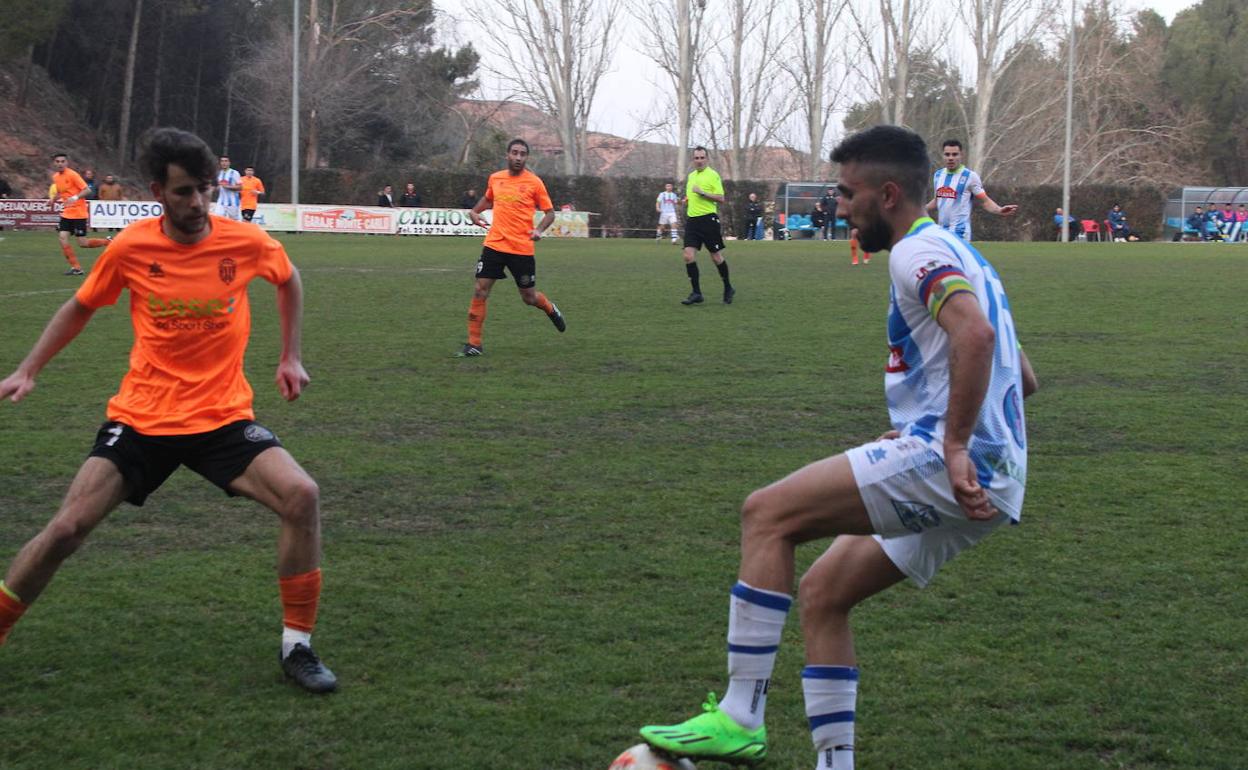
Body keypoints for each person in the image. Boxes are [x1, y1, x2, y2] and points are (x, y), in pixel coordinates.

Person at [638, 125, 1037, 769]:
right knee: (824, 593)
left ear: (886, 194)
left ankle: (741, 715)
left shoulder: (914, 254)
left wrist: (953, 443)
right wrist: (938, 424)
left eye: (848, 194)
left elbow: (977, 339)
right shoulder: (967, 256)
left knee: (767, 515)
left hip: (954, 464)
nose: (841, 206)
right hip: (998, 479)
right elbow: (1024, 375)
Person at [0, 127, 336, 694]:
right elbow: (79, 308)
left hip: (223, 419)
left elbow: (289, 278)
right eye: (184, 192)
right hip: (143, 418)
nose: (198, 203)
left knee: (302, 495)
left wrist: (290, 355)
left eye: (205, 190)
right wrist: (29, 368)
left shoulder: (244, 241)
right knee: (65, 529)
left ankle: (297, 646)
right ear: (159, 191)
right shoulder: (131, 247)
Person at [456, 138, 566, 357]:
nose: (518, 157)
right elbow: (488, 200)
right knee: (480, 290)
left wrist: (538, 230)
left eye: (522, 154)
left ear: (526, 157)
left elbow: (550, 213)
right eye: (514, 153)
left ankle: (549, 308)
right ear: (507, 155)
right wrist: (474, 212)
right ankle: (474, 344)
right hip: (494, 244)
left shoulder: (534, 183)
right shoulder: (496, 179)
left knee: (528, 297)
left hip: (521, 248)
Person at [925, 139, 1016, 242]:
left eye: (955, 154)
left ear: (961, 155)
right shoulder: (938, 175)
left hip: (960, 233)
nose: (951, 158)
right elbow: (938, 201)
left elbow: (985, 201)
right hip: (942, 232)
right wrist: (920, 209)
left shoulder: (970, 177)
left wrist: (999, 210)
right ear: (943, 155)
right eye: (947, 154)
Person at [680, 146, 735, 305]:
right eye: (696, 158)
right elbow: (693, 195)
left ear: (707, 158)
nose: (699, 161)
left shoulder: (713, 175)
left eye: (702, 157)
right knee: (687, 256)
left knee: (715, 257)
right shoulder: (691, 176)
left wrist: (702, 193)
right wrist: (687, 200)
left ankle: (728, 287)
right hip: (692, 221)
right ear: (693, 159)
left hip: (708, 220)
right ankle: (696, 293)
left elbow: (721, 198)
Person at [48, 152, 111, 275]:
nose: (60, 164)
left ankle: (108, 242)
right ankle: (76, 268)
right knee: (62, 238)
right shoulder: (56, 177)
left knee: (83, 243)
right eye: (57, 161)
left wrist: (75, 197)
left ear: (67, 163)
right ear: (54, 163)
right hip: (66, 213)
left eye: (62, 161)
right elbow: (61, 192)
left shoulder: (73, 175)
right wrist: (52, 200)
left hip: (78, 213)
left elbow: (87, 190)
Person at [214, 155, 242, 221]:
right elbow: (219, 187)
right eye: (222, 161)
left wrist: (228, 187)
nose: (224, 163)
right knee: (218, 219)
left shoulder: (234, 173)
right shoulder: (218, 173)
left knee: (234, 222)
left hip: (233, 202)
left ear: (229, 163)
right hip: (221, 202)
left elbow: (240, 187)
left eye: (226, 161)